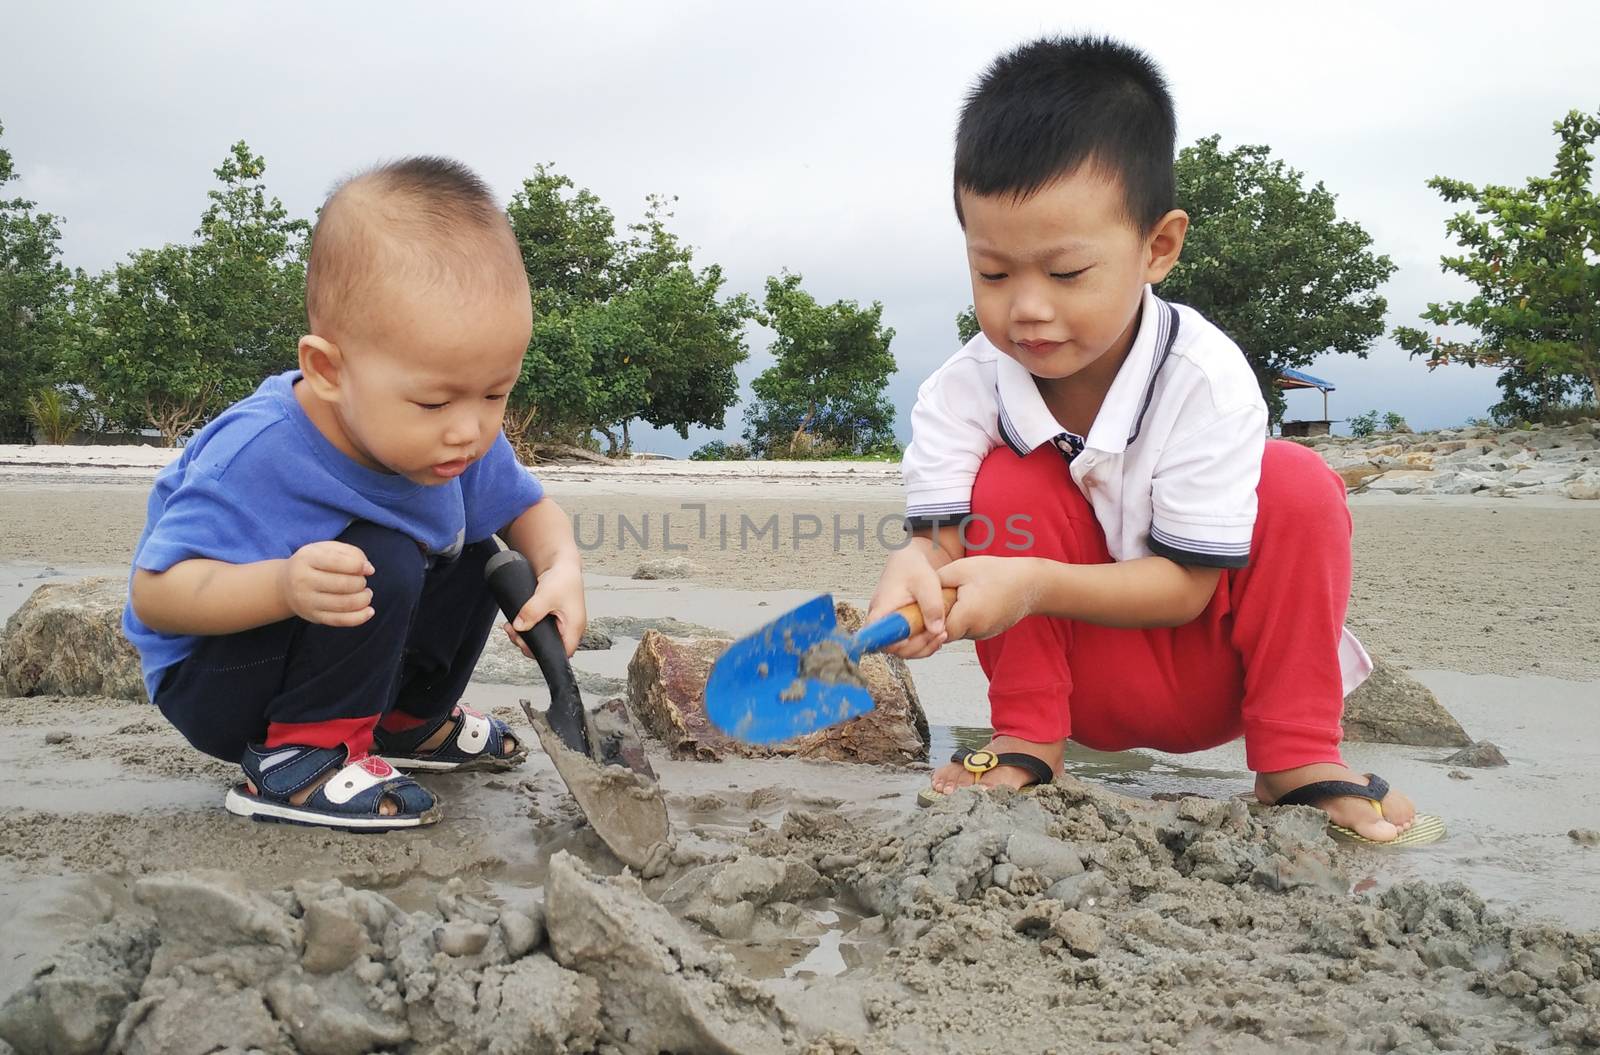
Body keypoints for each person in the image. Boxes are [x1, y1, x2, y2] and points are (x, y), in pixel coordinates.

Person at [867, 35, 1418, 842]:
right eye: (992, 273)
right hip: (1075, 683)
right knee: (1007, 481)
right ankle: (1027, 744)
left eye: (1064, 274)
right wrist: (917, 571)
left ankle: (1298, 756)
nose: (1026, 308)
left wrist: (1029, 584)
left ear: (1157, 248)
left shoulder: (1205, 377)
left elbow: (1189, 588)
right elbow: (945, 548)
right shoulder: (962, 388)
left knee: (1297, 481)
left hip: (1214, 674)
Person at [124, 157, 585, 832]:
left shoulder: (458, 442)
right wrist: (282, 586)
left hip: (344, 647)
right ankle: (302, 757)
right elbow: (155, 594)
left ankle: (407, 721)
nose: (471, 426)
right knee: (386, 553)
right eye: (432, 400)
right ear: (329, 370)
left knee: (485, 550)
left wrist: (561, 567)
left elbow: (528, 511)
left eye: (495, 392)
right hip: (217, 675)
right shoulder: (259, 453)